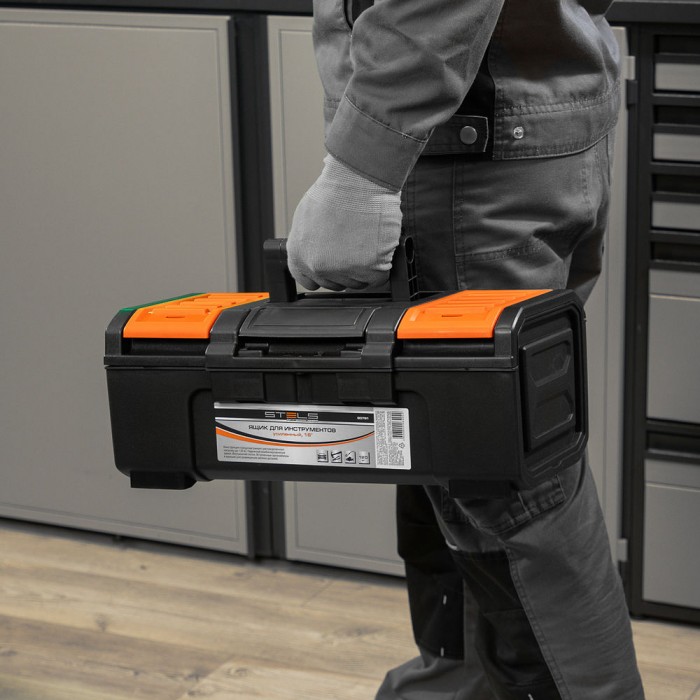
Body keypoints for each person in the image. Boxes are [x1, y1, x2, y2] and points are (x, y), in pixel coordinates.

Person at [287, 2, 646, 698]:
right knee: (445, 441)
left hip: (468, 150)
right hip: (518, 115)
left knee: (509, 484)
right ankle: (462, 680)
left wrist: (362, 167)